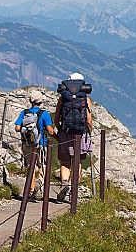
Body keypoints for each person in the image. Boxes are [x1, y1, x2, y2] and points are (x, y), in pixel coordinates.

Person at [54, 72, 93, 202]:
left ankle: (64, 182)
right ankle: (73, 192)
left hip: (65, 132)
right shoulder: (86, 99)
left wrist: (60, 129)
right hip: (80, 134)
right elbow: (89, 120)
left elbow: (56, 117)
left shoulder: (63, 97)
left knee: (65, 162)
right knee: (78, 164)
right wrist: (89, 133)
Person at [14, 90, 56, 201]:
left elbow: (17, 128)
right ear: (41, 101)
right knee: (43, 165)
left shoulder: (24, 112)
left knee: (30, 167)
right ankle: (40, 183)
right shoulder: (44, 114)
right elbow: (50, 131)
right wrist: (58, 138)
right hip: (40, 144)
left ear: (30, 101)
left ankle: (31, 191)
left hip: (27, 144)